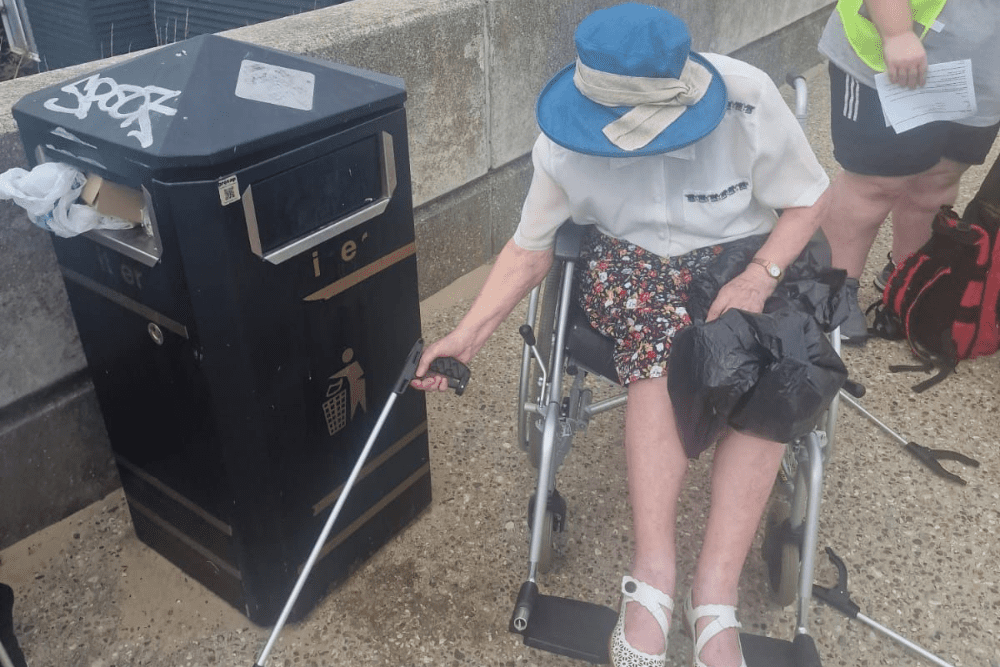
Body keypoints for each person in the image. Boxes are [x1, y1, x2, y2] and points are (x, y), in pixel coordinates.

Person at [412, 4, 830, 667]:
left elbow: (810, 197)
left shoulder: (746, 99)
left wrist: (759, 274)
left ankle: (715, 596)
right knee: (660, 345)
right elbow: (529, 250)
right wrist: (465, 336)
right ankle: (653, 578)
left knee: (767, 359)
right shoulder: (562, 141)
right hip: (633, 261)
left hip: (743, 253)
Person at [818, 0, 1000, 345]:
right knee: (873, 184)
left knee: (937, 183)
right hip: (895, 52)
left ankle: (907, 279)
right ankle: (834, 286)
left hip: (985, 67)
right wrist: (896, 32)